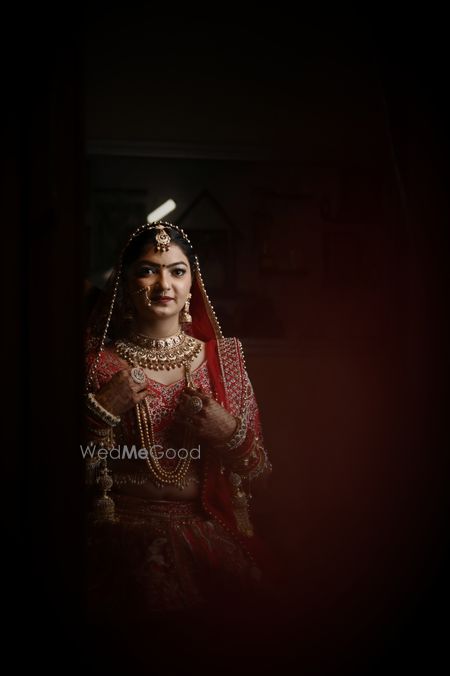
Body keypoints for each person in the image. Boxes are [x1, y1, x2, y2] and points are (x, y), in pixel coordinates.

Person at [84, 221, 276, 647]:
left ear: (193, 284)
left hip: (205, 530)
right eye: (147, 270)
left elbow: (259, 471)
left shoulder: (224, 362)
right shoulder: (97, 364)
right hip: (118, 536)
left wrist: (227, 431)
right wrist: (99, 412)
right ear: (125, 283)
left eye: (177, 270)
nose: (164, 284)